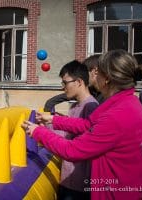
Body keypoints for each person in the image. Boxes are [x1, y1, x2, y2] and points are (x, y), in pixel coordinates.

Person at [23, 49, 142, 200]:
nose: (93, 76)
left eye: (96, 73)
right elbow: (87, 124)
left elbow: (72, 150)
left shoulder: (117, 115)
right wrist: (53, 120)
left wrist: (37, 132)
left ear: (106, 78)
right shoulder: (127, 103)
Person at [54, 60, 99, 200]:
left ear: (79, 82)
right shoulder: (74, 107)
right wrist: (46, 126)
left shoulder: (91, 107)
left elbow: (85, 144)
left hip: (79, 184)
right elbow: (68, 136)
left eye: (65, 82)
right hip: (68, 180)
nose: (63, 87)